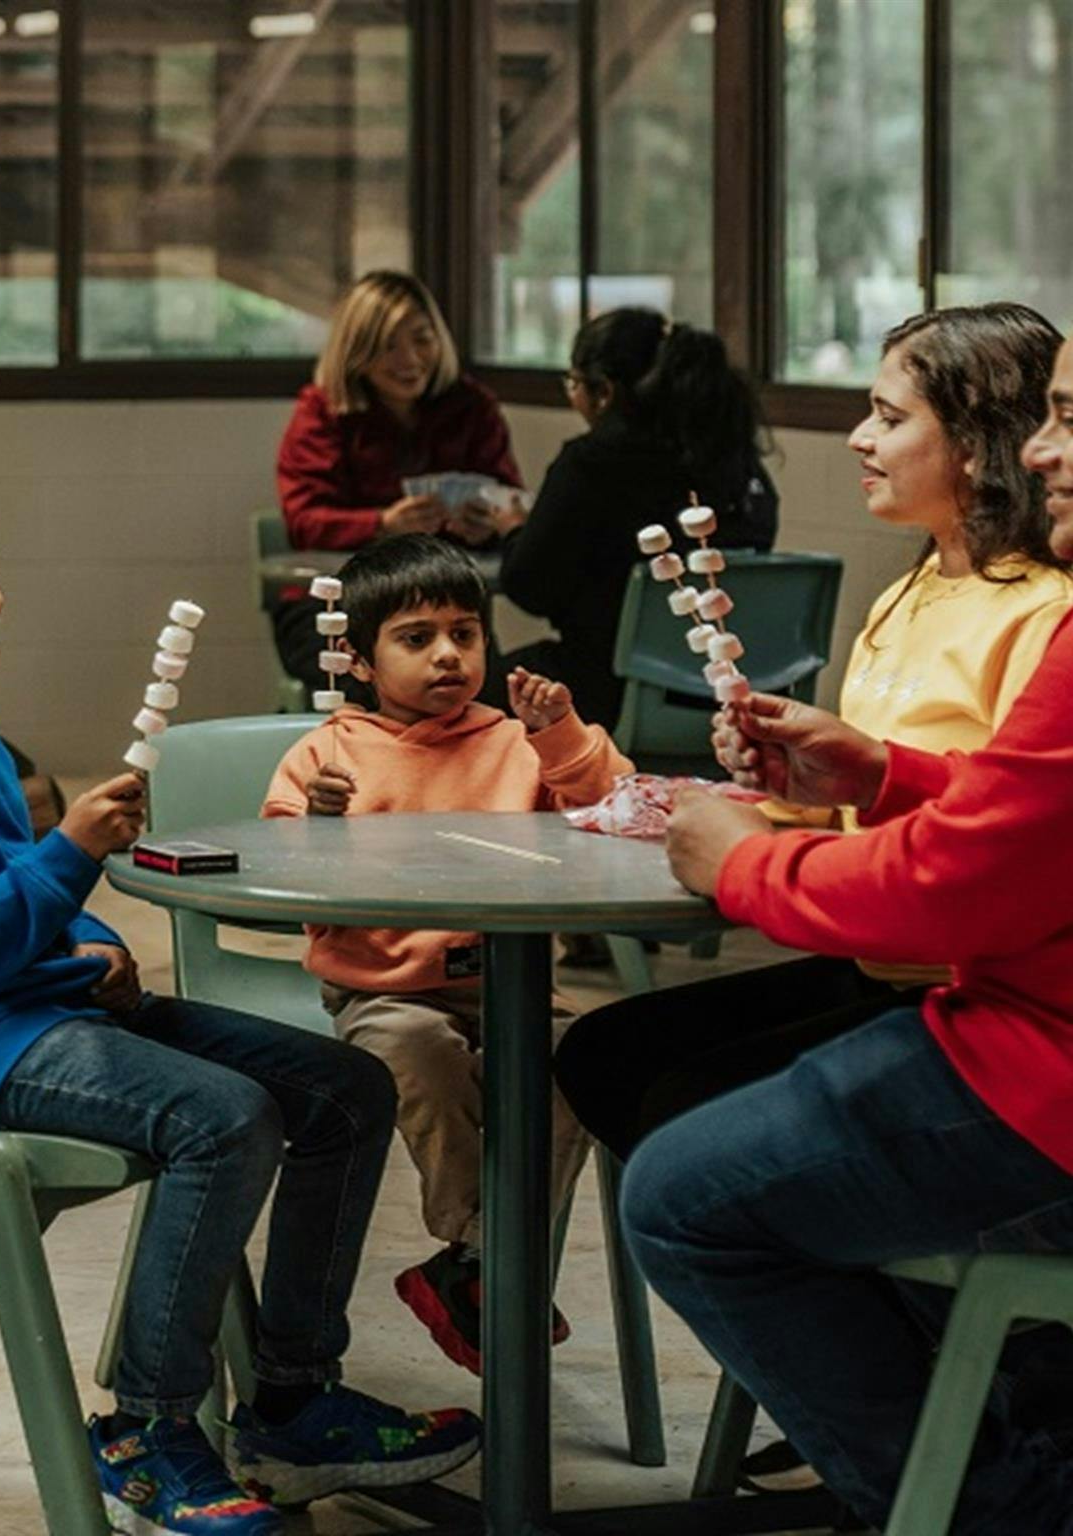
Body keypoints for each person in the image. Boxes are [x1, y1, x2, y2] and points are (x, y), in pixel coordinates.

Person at [0, 469, 481, 1536]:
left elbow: (2, 889)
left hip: (19, 1011)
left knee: (346, 1089)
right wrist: (68, 856)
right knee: (222, 1118)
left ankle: (290, 1403)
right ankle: (146, 1427)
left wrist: (90, 938)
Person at [551, 302, 1073, 1491]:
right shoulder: (909, 589)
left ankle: (982, 1488)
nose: (1043, 451)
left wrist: (743, 863)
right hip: (975, 989)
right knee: (619, 1064)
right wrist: (880, 775)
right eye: (1044, 419)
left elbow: (961, 884)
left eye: (1067, 422)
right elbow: (1015, 815)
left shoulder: (1044, 612)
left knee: (680, 1188)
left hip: (1015, 1038)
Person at [260, 534, 632, 1374]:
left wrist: (561, 732)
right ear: (361, 660)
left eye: (465, 633)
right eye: (417, 638)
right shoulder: (327, 754)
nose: (448, 655)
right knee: (417, 1049)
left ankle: (472, 1267)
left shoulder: (516, 741)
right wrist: (317, 824)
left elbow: (619, 809)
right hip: (384, 990)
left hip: (512, 986)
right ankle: (482, 1252)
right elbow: (283, 875)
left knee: (577, 1062)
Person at [487, 309, 778, 730]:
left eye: (573, 383)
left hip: (606, 693)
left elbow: (529, 587)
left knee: (459, 691)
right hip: (726, 695)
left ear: (604, 391)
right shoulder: (741, 469)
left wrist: (514, 529)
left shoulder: (589, 465)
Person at [269, 272, 524, 692]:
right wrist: (382, 524)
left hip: (441, 600)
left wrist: (488, 525)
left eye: (422, 339)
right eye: (388, 345)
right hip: (334, 602)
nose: (409, 358)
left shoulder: (472, 407)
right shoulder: (323, 411)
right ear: (357, 350)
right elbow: (304, 521)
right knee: (377, 688)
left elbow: (510, 501)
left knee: (482, 693)